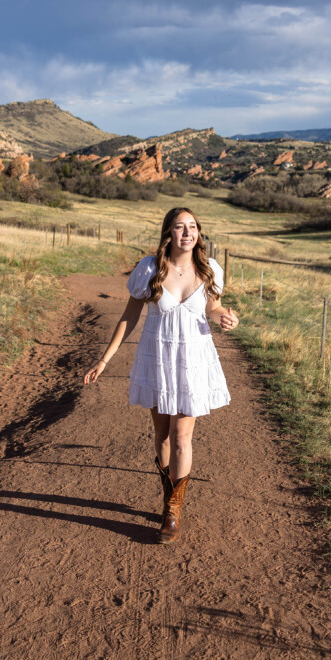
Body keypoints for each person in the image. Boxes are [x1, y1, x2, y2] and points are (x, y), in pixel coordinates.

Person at [83, 207, 238, 543]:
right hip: (158, 360)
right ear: (169, 232)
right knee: (164, 436)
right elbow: (129, 317)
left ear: (199, 232)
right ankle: (169, 490)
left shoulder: (209, 269)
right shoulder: (150, 269)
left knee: (182, 437)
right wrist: (104, 360)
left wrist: (224, 317)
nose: (188, 233)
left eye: (193, 226)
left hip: (192, 361)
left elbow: (212, 307)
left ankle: (172, 510)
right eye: (180, 227)